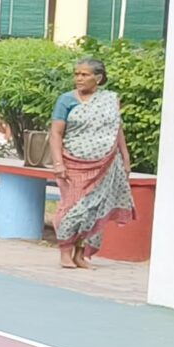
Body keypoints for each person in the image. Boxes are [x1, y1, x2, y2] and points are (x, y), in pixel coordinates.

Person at [50, 57, 135, 268]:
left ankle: (81, 254)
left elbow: (117, 130)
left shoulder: (109, 100)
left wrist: (125, 157)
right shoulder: (66, 100)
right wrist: (58, 163)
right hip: (75, 163)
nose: (79, 78)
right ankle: (65, 252)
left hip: (107, 162)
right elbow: (55, 133)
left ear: (98, 78)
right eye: (76, 74)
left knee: (94, 209)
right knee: (72, 208)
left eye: (84, 75)